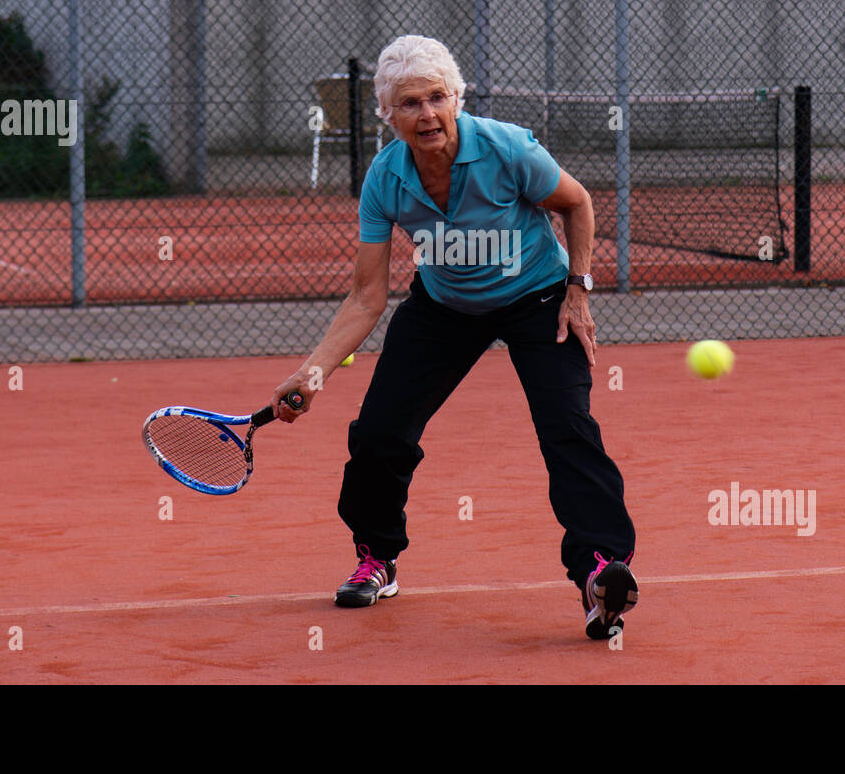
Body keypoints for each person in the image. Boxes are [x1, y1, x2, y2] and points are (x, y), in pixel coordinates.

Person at [270, 35, 636, 639]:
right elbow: (366, 297)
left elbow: (577, 203)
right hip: (444, 307)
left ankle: (601, 572)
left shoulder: (506, 148)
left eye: (438, 98)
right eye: (410, 104)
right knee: (380, 433)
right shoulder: (386, 179)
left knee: (568, 426)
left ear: (457, 99)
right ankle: (376, 557)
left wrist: (579, 289)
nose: (427, 114)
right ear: (389, 116)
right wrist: (313, 373)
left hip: (539, 298)